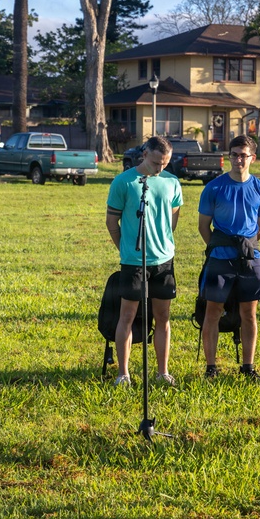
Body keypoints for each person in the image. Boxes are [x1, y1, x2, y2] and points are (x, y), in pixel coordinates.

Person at [105, 136, 183, 386]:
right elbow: (111, 222)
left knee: (163, 317)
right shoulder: (124, 182)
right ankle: (123, 374)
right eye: (156, 162)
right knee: (127, 316)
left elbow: (173, 218)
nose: (160, 168)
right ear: (145, 153)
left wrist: (164, 244)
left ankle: (162, 372)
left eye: (166, 163)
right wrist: (125, 249)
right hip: (133, 261)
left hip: (164, 261)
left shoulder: (172, 182)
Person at [198, 135, 260, 379]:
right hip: (220, 258)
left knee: (249, 314)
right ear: (228, 156)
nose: (238, 159)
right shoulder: (214, 187)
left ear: (253, 157)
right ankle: (211, 367)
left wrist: (245, 247)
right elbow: (203, 227)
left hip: (250, 258)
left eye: (243, 155)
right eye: (234, 154)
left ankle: (248, 367)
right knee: (212, 311)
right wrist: (218, 248)